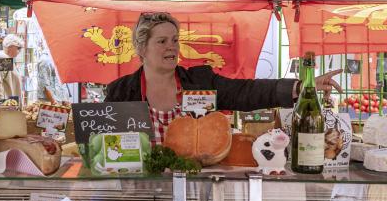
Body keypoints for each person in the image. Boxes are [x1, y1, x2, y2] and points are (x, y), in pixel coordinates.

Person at [105, 12, 342, 145]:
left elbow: (245, 92)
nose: (172, 47)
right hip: (139, 187)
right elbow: (106, 144)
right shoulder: (120, 91)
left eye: (175, 40)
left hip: (195, 185)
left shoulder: (200, 80)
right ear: (142, 48)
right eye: (162, 41)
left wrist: (302, 86)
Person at [0, 34, 24, 107]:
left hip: (8, 103)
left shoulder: (6, 58)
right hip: (4, 104)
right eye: (18, 48)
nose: (19, 51)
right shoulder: (2, 57)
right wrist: (1, 103)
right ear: (11, 46)